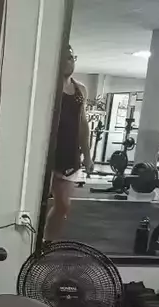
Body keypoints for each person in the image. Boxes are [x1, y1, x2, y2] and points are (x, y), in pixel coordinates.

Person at [44, 45, 94, 241]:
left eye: (72, 58)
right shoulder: (49, 86)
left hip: (70, 153)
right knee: (37, 203)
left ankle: (47, 243)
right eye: (65, 58)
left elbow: (83, 124)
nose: (69, 62)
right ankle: (31, 243)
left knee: (63, 206)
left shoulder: (80, 89)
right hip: (48, 152)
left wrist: (87, 156)